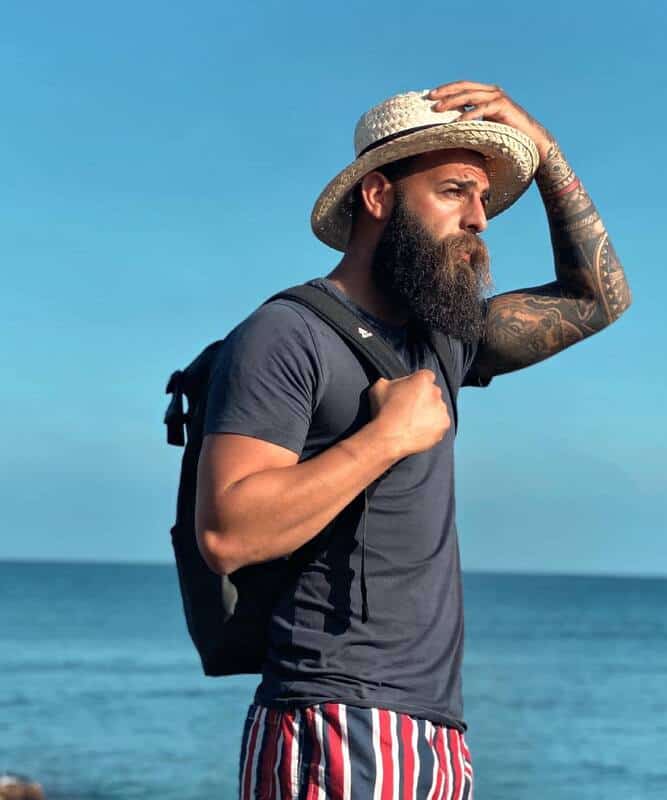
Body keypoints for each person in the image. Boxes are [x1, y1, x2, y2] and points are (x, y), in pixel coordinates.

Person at [195, 80, 632, 799]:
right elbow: (228, 532)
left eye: (485, 199)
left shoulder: (442, 342)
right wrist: (385, 438)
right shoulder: (286, 334)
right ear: (377, 196)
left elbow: (597, 297)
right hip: (330, 720)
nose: (480, 220)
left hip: (431, 729)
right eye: (456, 191)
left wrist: (545, 149)